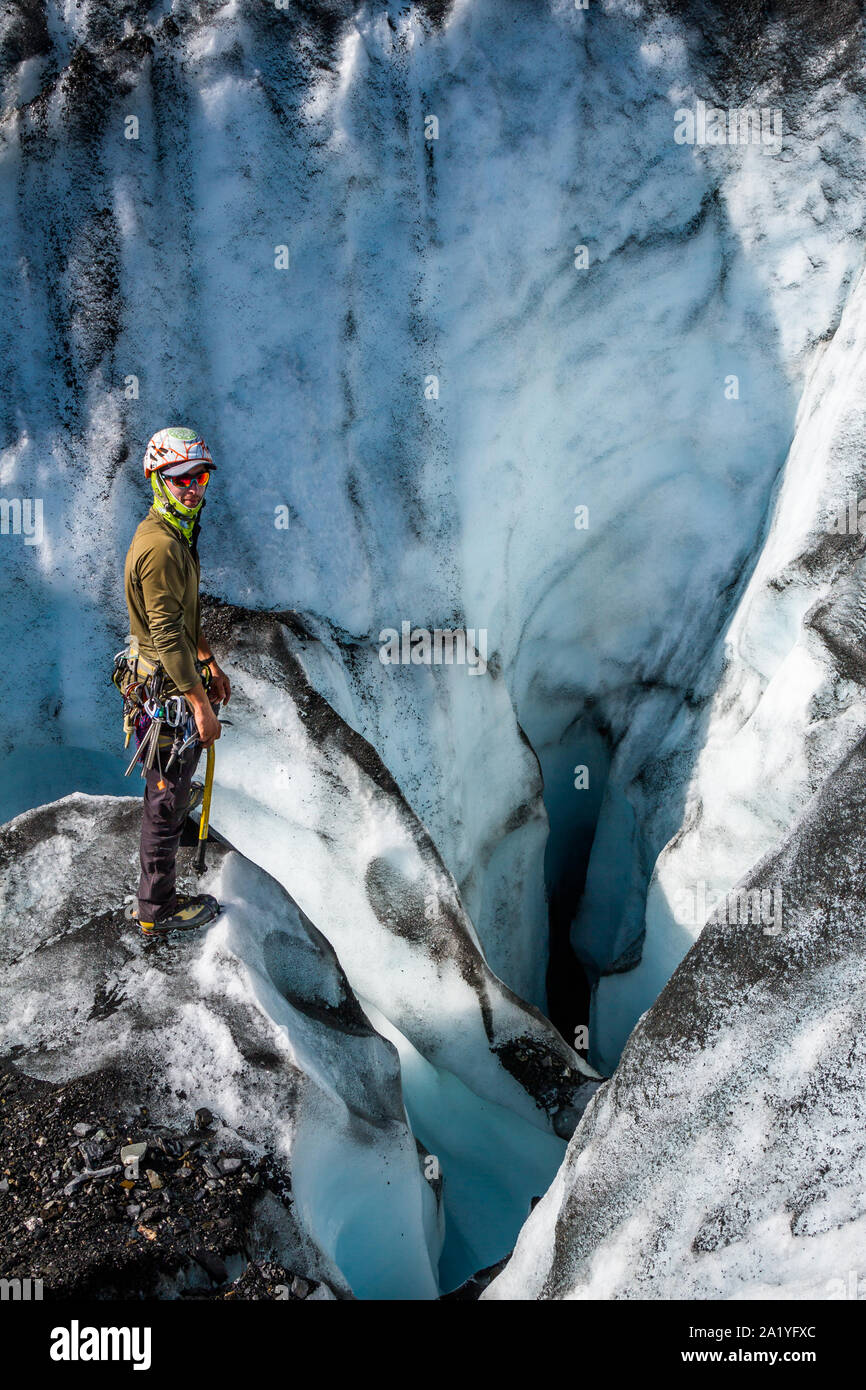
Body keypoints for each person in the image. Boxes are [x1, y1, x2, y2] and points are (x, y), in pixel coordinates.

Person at [123, 426, 231, 936]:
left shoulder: (177, 533)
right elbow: (167, 636)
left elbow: (185, 616)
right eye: (180, 479)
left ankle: (178, 829)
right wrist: (201, 705)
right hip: (166, 688)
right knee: (164, 797)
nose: (193, 487)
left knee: (173, 781)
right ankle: (156, 908)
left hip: (174, 680)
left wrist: (208, 661)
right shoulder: (162, 547)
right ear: (158, 480)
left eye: (200, 477)